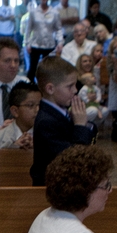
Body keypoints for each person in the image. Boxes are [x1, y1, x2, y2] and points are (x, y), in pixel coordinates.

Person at [31, 56, 95, 186]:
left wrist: (83, 123)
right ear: (50, 89)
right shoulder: (46, 122)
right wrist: (80, 126)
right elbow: (73, 159)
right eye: (70, 86)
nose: (75, 90)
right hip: (52, 188)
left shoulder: (61, 112)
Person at [0, 81, 41, 149]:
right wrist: (13, 148)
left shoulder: (49, 136)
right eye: (31, 105)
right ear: (15, 111)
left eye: (40, 105)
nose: (38, 109)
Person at [25, 0, 63, 81]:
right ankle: (29, 85)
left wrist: (60, 42)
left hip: (49, 44)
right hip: (35, 43)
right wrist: (27, 43)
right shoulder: (34, 12)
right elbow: (28, 29)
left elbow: (58, 29)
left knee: (48, 68)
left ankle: (45, 85)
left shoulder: (54, 12)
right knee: (32, 68)